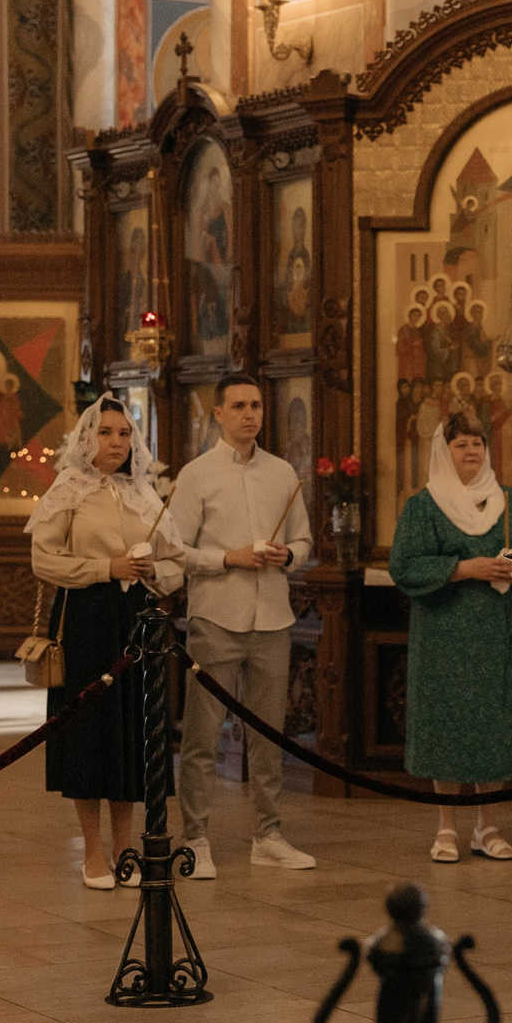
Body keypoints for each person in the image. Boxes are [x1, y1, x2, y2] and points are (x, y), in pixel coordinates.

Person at [28, 395, 187, 888]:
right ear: (86, 438)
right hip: (85, 618)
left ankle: (125, 847)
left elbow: (178, 562)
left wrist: (152, 570)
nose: (116, 442)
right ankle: (92, 852)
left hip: (136, 619)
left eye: (124, 434)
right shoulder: (68, 490)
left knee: (132, 732)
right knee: (90, 733)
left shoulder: (144, 493)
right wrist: (105, 568)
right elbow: (43, 559)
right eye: (105, 433)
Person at [169, 373, 316, 877]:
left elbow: (304, 541)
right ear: (219, 414)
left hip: (273, 617)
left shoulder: (282, 473)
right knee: (204, 735)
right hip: (216, 617)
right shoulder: (196, 475)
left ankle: (268, 834)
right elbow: (176, 551)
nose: (250, 414)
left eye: (255, 405)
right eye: (239, 406)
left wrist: (288, 555)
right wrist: (227, 557)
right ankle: (196, 837)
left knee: (268, 734)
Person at [389, 413, 512, 864]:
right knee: (446, 727)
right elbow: (404, 566)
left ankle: (487, 826)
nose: (471, 451)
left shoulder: (511, 502)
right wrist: (465, 568)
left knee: (494, 723)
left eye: (478, 443)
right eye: (461, 444)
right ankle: (446, 825)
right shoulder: (423, 506)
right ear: (442, 452)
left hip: (496, 634)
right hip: (443, 635)